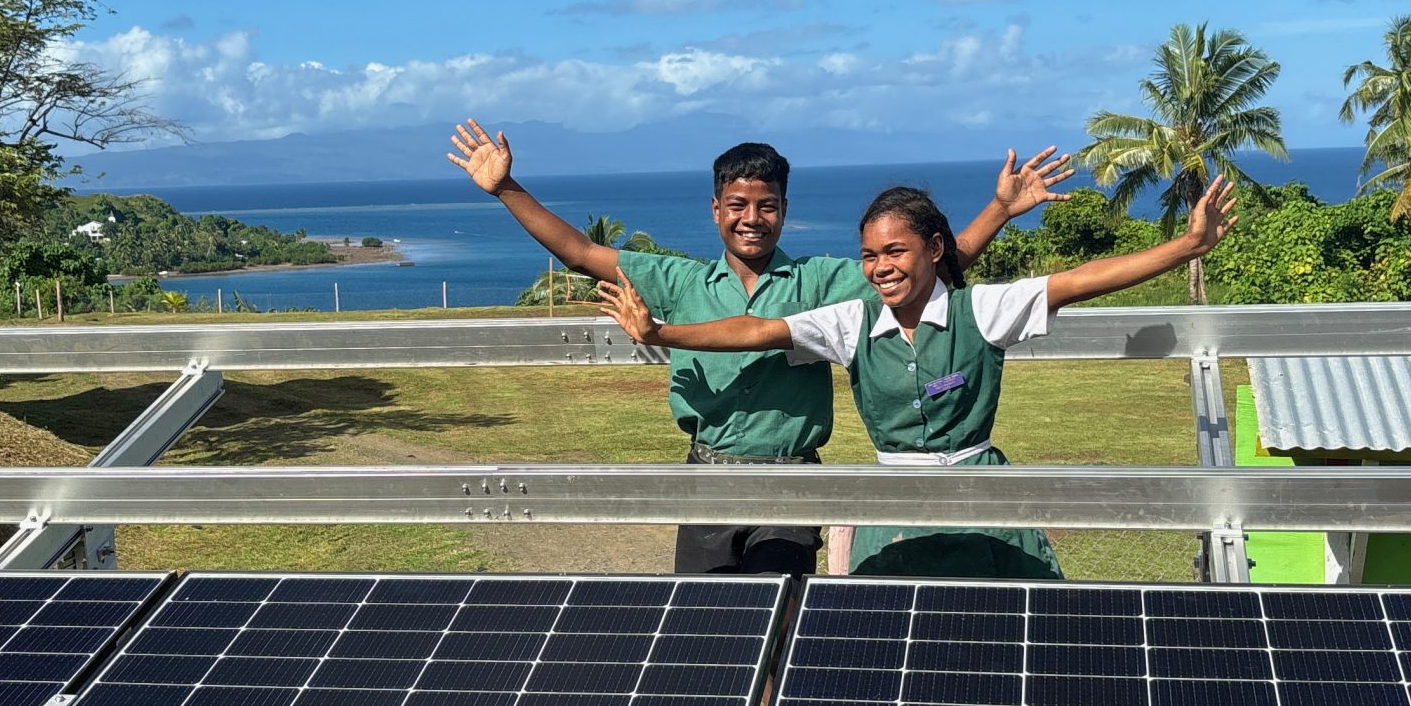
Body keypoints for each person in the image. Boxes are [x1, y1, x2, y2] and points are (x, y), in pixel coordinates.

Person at [446, 122, 1076, 576]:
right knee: (710, 632)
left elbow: (925, 270)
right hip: (707, 476)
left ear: (784, 211)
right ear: (715, 209)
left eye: (767, 206)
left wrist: (998, 208)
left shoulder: (823, 281)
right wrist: (507, 188)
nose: (753, 218)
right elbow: (581, 252)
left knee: (776, 622)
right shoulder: (680, 280)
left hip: (790, 478)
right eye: (739, 205)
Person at [597, 175, 1238, 580]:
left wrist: (1184, 248)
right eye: (870, 255)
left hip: (984, 503)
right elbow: (757, 331)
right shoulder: (851, 320)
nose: (881, 268)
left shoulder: (979, 310)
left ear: (935, 250)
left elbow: (1076, 282)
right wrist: (661, 335)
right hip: (893, 504)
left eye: (896, 251)